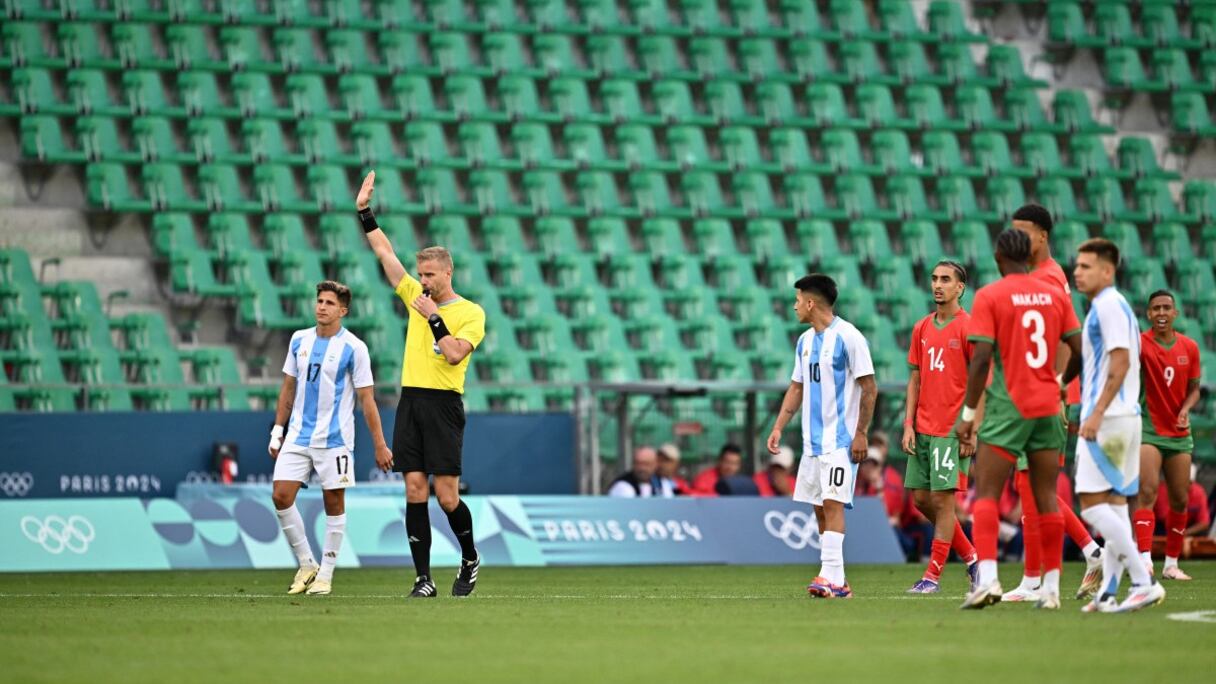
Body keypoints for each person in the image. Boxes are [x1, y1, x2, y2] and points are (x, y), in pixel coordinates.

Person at [357, 171, 487, 599]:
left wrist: (432, 315)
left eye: (431, 273)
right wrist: (365, 212)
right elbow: (385, 254)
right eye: (421, 274)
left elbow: (452, 353)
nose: (423, 280)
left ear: (448, 271)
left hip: (444, 405)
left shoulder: (470, 312)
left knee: (447, 495)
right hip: (412, 400)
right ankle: (423, 578)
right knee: (414, 488)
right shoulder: (414, 294)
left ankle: (469, 557)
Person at [958, 229, 1083, 610]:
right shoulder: (1054, 294)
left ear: (999, 257)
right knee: (1048, 497)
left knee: (989, 495)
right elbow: (1078, 349)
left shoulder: (991, 296)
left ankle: (990, 581)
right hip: (1048, 406)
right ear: (1029, 256)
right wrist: (1061, 383)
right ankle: (1052, 590)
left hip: (1008, 408)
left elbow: (980, 360)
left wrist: (967, 413)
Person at [268, 281, 393, 596]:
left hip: (334, 439)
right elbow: (288, 388)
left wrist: (379, 444)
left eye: (329, 303)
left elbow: (367, 400)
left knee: (333, 504)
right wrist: (277, 429)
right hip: (297, 435)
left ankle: (325, 575)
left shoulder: (354, 348)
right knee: (281, 496)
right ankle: (307, 564)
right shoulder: (299, 340)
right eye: (319, 301)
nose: (322, 307)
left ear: (343, 310)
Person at [1008, 204, 1105, 602]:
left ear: (1043, 235)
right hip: (1034, 392)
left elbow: (1068, 337)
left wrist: (1062, 389)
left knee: (1036, 484)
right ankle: (1083, 554)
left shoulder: (1047, 278)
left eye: (1025, 232)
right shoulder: (1039, 276)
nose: (1018, 239)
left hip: (1047, 395)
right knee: (1028, 483)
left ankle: (1043, 577)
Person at [767, 274, 877, 599]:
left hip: (840, 441)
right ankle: (839, 581)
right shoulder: (804, 342)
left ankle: (827, 575)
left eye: (798, 300)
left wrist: (861, 434)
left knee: (832, 504)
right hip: (811, 444)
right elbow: (797, 387)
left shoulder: (849, 337)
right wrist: (778, 426)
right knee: (819, 508)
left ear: (811, 303)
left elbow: (869, 389)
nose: (795, 306)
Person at [1071, 238, 1166, 613]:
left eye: (1086, 266)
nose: (1077, 272)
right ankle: (1108, 591)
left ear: (1107, 271)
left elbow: (1121, 362)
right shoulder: (1118, 305)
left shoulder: (1108, 305)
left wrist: (1094, 415)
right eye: (1077, 265)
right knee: (1114, 506)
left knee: (1092, 506)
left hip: (1107, 419)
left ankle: (1144, 580)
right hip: (1126, 418)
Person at [901, 260, 980, 594]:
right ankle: (974, 560)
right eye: (934, 279)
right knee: (921, 500)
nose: (938, 284)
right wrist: (908, 424)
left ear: (960, 287)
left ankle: (932, 576)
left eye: (946, 279)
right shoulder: (921, 327)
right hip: (922, 427)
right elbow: (915, 378)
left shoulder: (969, 327)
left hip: (951, 427)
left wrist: (972, 428)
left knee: (942, 501)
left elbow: (981, 380)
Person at [1133, 290, 1203, 581]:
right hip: (1149, 429)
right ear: (1148, 314)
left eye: (1166, 308)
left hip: (1178, 433)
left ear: (1175, 313)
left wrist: (1186, 408)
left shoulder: (1190, 347)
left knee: (1179, 499)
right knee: (1147, 492)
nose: (1161, 313)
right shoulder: (1140, 343)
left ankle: (1171, 564)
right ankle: (1145, 560)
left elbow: (1194, 389)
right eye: (1155, 308)